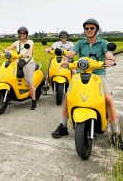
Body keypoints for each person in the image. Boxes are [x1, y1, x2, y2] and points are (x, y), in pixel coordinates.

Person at [51, 18, 123, 149]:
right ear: (84, 30)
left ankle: (115, 134)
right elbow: (71, 53)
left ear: (96, 29)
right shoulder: (80, 43)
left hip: (98, 75)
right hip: (79, 75)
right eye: (86, 28)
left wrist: (110, 60)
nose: (89, 30)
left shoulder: (103, 43)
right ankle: (63, 126)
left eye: (92, 28)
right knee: (69, 97)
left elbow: (109, 53)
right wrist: (66, 60)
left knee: (108, 99)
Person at [4, 26, 38, 110]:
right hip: (18, 62)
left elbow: (30, 50)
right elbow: (9, 48)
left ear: (26, 34)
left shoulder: (30, 42)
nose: (22, 34)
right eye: (20, 33)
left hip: (28, 63)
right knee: (10, 76)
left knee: (29, 82)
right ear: (18, 34)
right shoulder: (17, 42)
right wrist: (3, 52)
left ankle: (34, 101)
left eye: (24, 33)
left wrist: (26, 54)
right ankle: (11, 95)